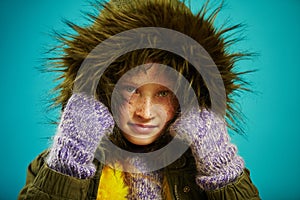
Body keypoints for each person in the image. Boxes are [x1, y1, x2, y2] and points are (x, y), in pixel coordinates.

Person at [18, 0, 260, 199]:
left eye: (163, 93)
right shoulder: (50, 165)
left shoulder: (201, 165)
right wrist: (67, 165)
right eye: (131, 90)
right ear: (104, 90)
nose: (145, 112)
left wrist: (220, 167)